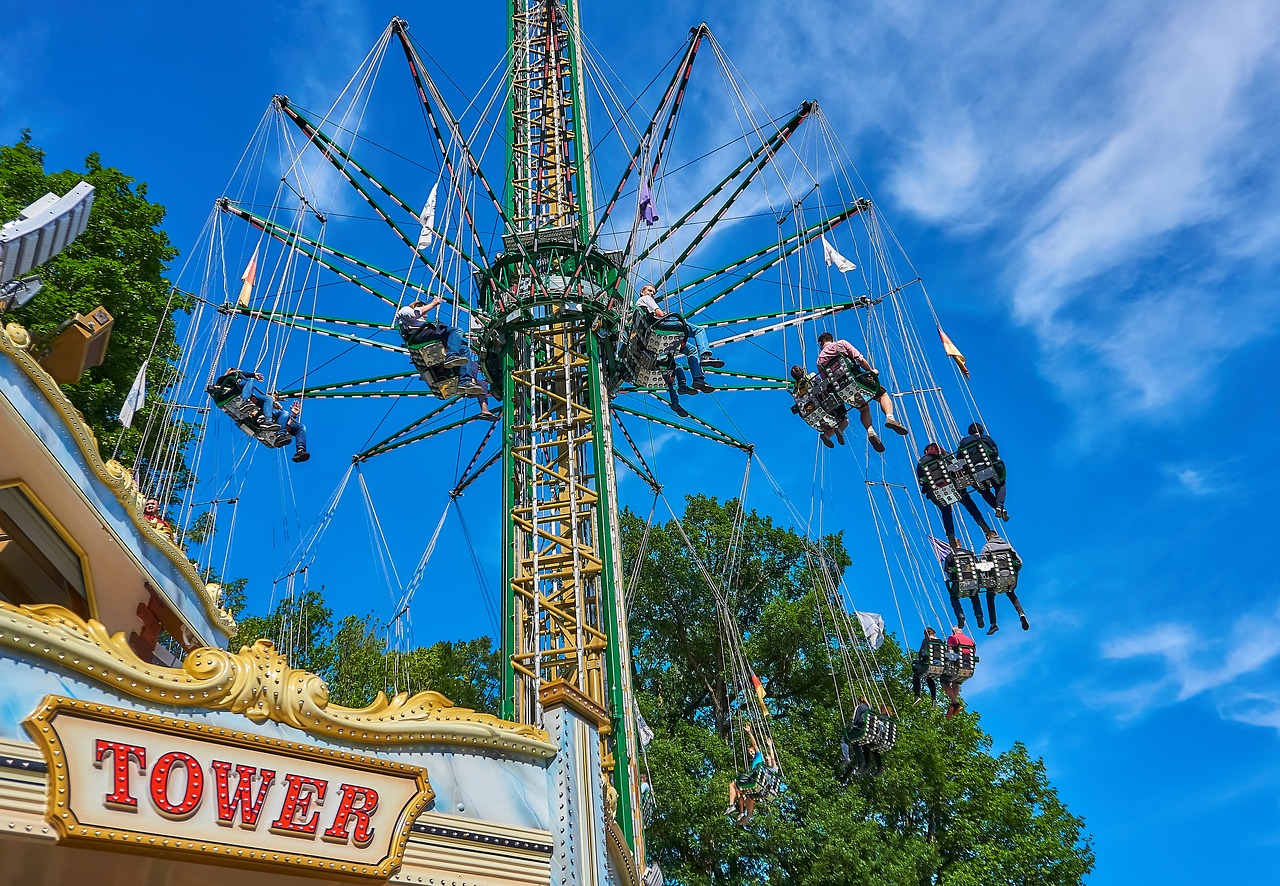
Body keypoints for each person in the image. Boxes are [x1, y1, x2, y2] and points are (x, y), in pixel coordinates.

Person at [815, 332, 906, 452]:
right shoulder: (841, 344)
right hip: (857, 379)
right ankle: (890, 417)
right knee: (883, 395)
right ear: (831, 339)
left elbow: (825, 380)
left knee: (864, 408)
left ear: (821, 344)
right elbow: (859, 358)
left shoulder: (820, 361)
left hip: (842, 390)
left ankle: (870, 431)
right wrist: (871, 370)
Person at [917, 442, 996, 547]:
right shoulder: (946, 456)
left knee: (946, 511)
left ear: (926, 451)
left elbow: (921, 480)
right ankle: (985, 527)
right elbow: (958, 468)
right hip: (955, 486)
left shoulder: (921, 462)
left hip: (935, 492)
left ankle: (950, 536)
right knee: (969, 504)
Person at [635, 283, 724, 369]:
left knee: (692, 349)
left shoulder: (638, 306)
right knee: (698, 330)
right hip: (661, 326)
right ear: (642, 292)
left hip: (653, 329)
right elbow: (660, 313)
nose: (652, 294)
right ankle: (705, 356)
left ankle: (698, 380)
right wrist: (663, 314)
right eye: (649, 291)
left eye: (653, 293)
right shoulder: (646, 298)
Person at [394, 297, 471, 366]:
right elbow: (414, 314)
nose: (426, 315)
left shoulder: (422, 322)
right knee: (455, 330)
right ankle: (451, 355)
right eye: (424, 311)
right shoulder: (406, 309)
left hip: (425, 334)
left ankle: (465, 380)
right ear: (417, 306)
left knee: (465, 349)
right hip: (417, 334)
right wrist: (433, 304)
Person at [957, 421, 1008, 521]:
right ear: (981, 430)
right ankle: (999, 505)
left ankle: (997, 508)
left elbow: (959, 458)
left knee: (983, 490)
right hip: (990, 467)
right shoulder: (987, 438)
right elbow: (995, 452)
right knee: (1001, 484)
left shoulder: (964, 442)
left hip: (975, 471)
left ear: (969, 432)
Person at [726, 721, 774, 824]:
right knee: (744, 794)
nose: (751, 753)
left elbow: (755, 744)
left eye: (752, 751)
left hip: (756, 781)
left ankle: (731, 805)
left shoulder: (758, 756)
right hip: (758, 785)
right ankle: (745, 814)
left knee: (732, 784)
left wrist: (749, 732)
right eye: (750, 753)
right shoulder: (755, 763)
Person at [789, 365, 849, 447]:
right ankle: (840, 429)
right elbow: (822, 385)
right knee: (845, 419)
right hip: (823, 404)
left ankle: (826, 435)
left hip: (810, 411)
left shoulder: (795, 390)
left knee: (829, 427)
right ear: (802, 371)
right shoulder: (811, 376)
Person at [981, 536, 1029, 634]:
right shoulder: (1008, 546)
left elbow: (983, 564)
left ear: (987, 537)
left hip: (995, 577)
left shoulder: (987, 547)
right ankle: (1021, 613)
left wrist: (987, 574)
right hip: (1009, 575)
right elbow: (1019, 562)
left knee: (990, 596)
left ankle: (993, 624)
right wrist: (1015, 571)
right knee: (1010, 592)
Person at [943, 546, 984, 630]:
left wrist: (953, 578)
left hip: (959, 583)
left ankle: (960, 616)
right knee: (974, 595)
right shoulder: (970, 553)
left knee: (954, 597)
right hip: (973, 581)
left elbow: (949, 573)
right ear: (960, 544)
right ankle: (979, 616)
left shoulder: (950, 556)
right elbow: (978, 567)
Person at [942, 626, 976, 719]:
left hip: (956, 667)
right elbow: (973, 653)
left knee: (944, 682)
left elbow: (950, 652)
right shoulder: (970, 640)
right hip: (968, 668)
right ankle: (953, 705)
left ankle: (955, 703)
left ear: (953, 632)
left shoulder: (952, 637)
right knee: (956, 683)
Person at [912, 628, 940, 704]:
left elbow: (922, 653)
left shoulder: (926, 641)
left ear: (926, 635)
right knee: (930, 678)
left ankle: (917, 695)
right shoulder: (940, 642)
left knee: (916, 675)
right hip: (940, 665)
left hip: (928, 664)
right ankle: (934, 698)